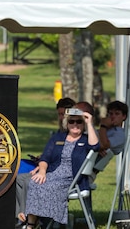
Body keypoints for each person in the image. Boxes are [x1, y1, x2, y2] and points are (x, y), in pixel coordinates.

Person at [24, 107, 99, 228]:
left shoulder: (85, 140)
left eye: (79, 121)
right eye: (71, 121)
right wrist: (42, 171)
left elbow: (95, 147)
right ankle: (31, 224)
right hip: (53, 172)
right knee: (34, 183)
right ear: (67, 123)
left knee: (50, 186)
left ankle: (50, 223)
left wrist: (89, 122)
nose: (75, 124)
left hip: (73, 178)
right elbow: (45, 158)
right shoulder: (58, 138)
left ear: (83, 124)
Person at [16, 97, 76, 226]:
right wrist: (42, 163)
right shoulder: (59, 135)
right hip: (47, 167)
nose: (61, 118)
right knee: (17, 178)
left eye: (64, 115)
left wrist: (43, 167)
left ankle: (29, 220)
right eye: (59, 114)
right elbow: (50, 154)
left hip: (58, 174)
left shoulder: (74, 134)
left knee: (28, 181)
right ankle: (21, 216)